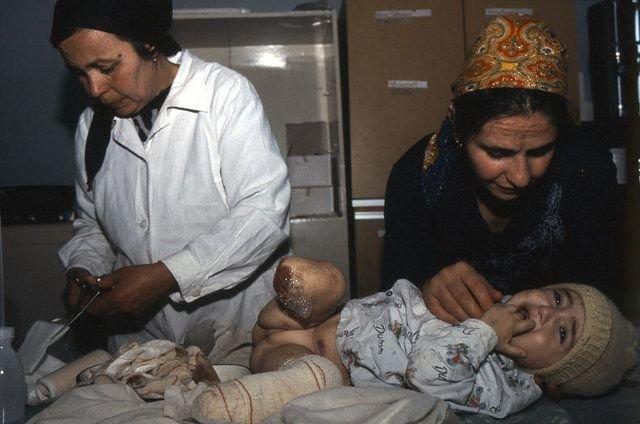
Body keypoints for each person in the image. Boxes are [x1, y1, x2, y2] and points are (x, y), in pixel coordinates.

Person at [50, 0, 290, 353]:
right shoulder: (91, 126)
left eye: (106, 67)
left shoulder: (223, 94)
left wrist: (167, 276)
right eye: (79, 73)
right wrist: (83, 268)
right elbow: (93, 224)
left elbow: (264, 212)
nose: (95, 88)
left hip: (235, 333)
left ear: (149, 44)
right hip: (142, 342)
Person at [382, 14, 622, 325]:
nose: (520, 176)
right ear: (457, 127)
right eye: (497, 152)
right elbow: (388, 307)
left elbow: (601, 303)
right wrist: (421, 292)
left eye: (540, 150)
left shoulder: (586, 169)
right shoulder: (416, 177)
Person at [240, 256, 637, 420]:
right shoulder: (489, 302)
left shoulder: (500, 387)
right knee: (330, 282)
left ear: (549, 379)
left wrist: (486, 333)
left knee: (314, 381)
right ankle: (294, 301)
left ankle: (253, 387)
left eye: (563, 333)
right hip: (321, 319)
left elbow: (428, 374)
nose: (547, 313)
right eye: (558, 298)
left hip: (321, 362)